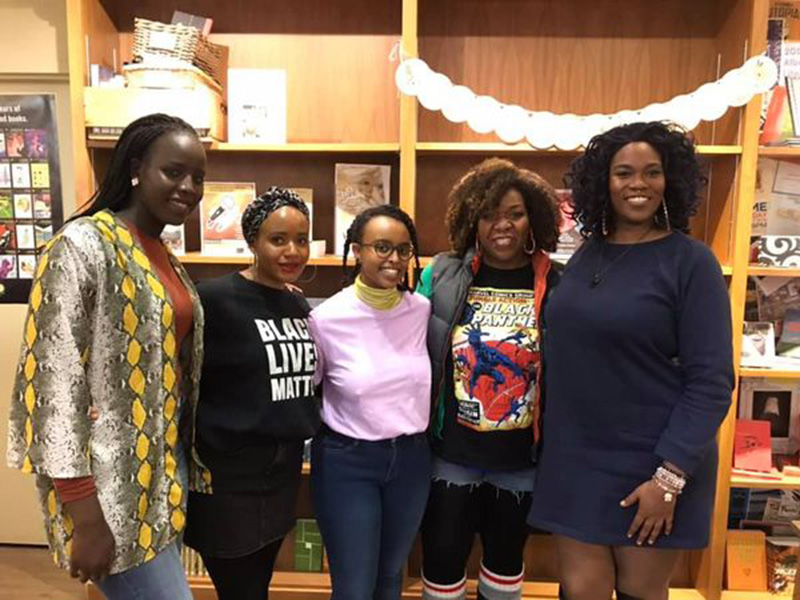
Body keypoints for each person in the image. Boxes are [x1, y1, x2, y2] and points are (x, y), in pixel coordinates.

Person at [528, 121, 734, 600]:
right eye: (623, 172)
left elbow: (712, 381)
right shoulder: (585, 257)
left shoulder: (691, 263)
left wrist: (669, 477)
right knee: (580, 591)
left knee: (641, 591)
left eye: (651, 172)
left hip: (654, 463)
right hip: (575, 459)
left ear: (671, 180)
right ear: (603, 182)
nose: (637, 183)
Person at [6, 113, 207, 599]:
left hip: (163, 471)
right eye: (173, 171)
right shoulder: (82, 246)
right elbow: (51, 385)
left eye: (198, 177)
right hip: (108, 487)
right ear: (136, 167)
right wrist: (85, 515)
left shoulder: (162, 253)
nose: (189, 187)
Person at [417, 158, 562, 600]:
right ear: (472, 220)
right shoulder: (441, 273)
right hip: (452, 452)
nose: (503, 225)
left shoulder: (557, 282)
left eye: (515, 214)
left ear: (532, 218)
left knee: (505, 563)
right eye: (489, 214)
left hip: (521, 457)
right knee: (442, 561)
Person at [184, 187, 320, 600]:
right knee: (240, 590)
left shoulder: (300, 307)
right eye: (278, 240)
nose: (292, 251)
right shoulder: (212, 299)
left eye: (301, 239)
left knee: (257, 586)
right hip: (228, 480)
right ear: (253, 242)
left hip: (281, 476)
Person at [308, 204, 431, 600]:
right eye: (381, 247)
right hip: (349, 462)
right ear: (357, 250)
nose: (394, 259)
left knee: (390, 578)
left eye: (403, 249)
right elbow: (311, 388)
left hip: (411, 460)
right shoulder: (326, 318)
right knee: (355, 587)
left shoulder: (421, 310)